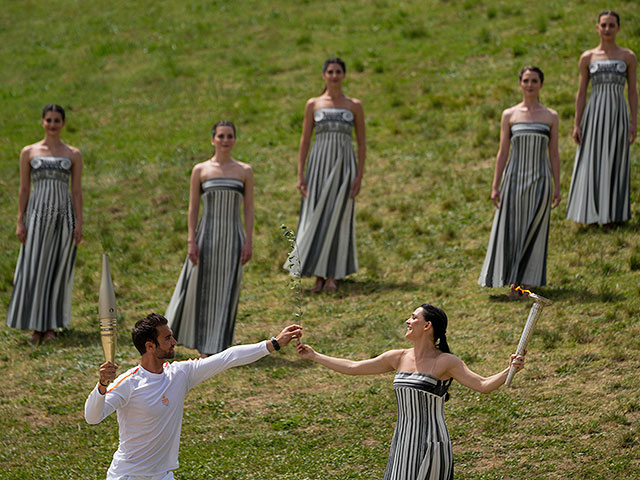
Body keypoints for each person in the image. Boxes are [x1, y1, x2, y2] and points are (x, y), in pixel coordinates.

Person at [296, 304, 525, 480]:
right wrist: (315, 356)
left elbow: (483, 385)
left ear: (427, 326)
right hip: (403, 441)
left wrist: (510, 369)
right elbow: (354, 367)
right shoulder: (398, 357)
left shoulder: (447, 361)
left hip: (431, 443)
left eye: (414, 317)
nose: (408, 320)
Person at [85, 313, 302, 480]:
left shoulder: (180, 373)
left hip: (162, 475)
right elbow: (92, 417)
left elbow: (228, 357)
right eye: (168, 338)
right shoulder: (128, 383)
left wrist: (273, 344)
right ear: (150, 346)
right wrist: (103, 385)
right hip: (128, 476)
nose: (174, 342)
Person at [165, 121, 253, 356]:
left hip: (233, 237)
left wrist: (249, 240)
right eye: (221, 136)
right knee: (200, 288)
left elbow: (249, 209)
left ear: (235, 140)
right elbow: (193, 207)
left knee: (226, 289)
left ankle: (217, 344)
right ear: (213, 139)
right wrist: (191, 240)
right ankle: (197, 343)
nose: (225, 140)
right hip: (207, 236)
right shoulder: (201, 170)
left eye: (230, 136)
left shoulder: (244, 171)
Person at [478, 66, 561, 298]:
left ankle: (524, 282)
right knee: (511, 231)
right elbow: (502, 152)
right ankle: (513, 282)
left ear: (541, 84)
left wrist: (558, 186)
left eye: (534, 80)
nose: (530, 84)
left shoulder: (550, 116)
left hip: (540, 180)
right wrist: (495, 185)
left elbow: (554, 154)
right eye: (526, 80)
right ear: (520, 84)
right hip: (513, 180)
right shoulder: (510, 115)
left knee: (534, 230)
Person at [286, 57, 366, 293]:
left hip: (344, 167)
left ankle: (333, 275)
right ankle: (317, 275)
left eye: (338, 71)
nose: (333, 75)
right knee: (315, 216)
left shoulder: (354, 105)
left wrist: (359, 176)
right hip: (318, 167)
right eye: (330, 71)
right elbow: (304, 140)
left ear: (344, 75)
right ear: (324, 75)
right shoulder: (313, 104)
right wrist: (301, 174)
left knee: (338, 217)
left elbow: (361, 143)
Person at [6, 104, 83, 343]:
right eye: (48, 120)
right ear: (42, 122)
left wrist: (79, 222)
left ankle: (50, 326)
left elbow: (77, 191)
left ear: (63, 123)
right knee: (34, 268)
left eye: (57, 120)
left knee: (57, 269)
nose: (52, 124)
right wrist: (20, 219)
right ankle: (34, 326)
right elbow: (24, 189)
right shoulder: (29, 152)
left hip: (63, 216)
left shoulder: (73, 154)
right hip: (37, 216)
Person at [566, 11, 637, 225]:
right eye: (604, 25)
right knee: (592, 160)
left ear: (618, 28)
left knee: (616, 159)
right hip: (595, 114)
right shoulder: (588, 57)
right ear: (597, 27)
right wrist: (576, 123)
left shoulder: (628, 57)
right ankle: (591, 213)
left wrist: (634, 122)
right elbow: (581, 92)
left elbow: (633, 91)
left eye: (611, 25)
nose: (607, 29)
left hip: (617, 113)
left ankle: (613, 214)